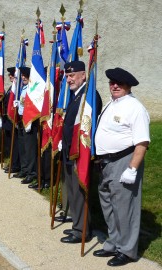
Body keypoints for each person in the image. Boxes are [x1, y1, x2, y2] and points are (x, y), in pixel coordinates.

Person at [93, 67, 150, 267]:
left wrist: (132, 169)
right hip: (105, 162)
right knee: (108, 205)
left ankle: (127, 250)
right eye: (112, 83)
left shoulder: (135, 108)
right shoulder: (112, 103)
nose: (115, 86)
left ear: (128, 86)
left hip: (123, 162)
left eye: (120, 83)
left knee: (125, 208)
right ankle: (113, 242)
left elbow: (142, 143)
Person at [59, 60, 102, 244]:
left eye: (72, 75)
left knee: (79, 192)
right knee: (73, 192)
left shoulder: (89, 96)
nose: (68, 79)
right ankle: (78, 225)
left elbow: (86, 126)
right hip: (69, 151)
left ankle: (83, 230)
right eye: (67, 76)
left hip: (80, 153)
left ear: (83, 75)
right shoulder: (75, 95)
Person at [13, 67, 38, 185]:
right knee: (22, 147)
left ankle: (31, 173)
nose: (23, 77)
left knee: (29, 149)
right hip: (22, 120)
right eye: (22, 75)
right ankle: (24, 169)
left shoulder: (32, 89)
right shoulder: (23, 88)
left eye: (25, 76)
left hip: (30, 122)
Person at [2, 67, 20, 174]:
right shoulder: (11, 88)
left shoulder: (17, 89)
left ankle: (15, 165)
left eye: (12, 75)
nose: (10, 76)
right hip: (7, 120)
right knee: (10, 143)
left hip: (14, 120)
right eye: (9, 75)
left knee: (15, 143)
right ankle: (12, 162)